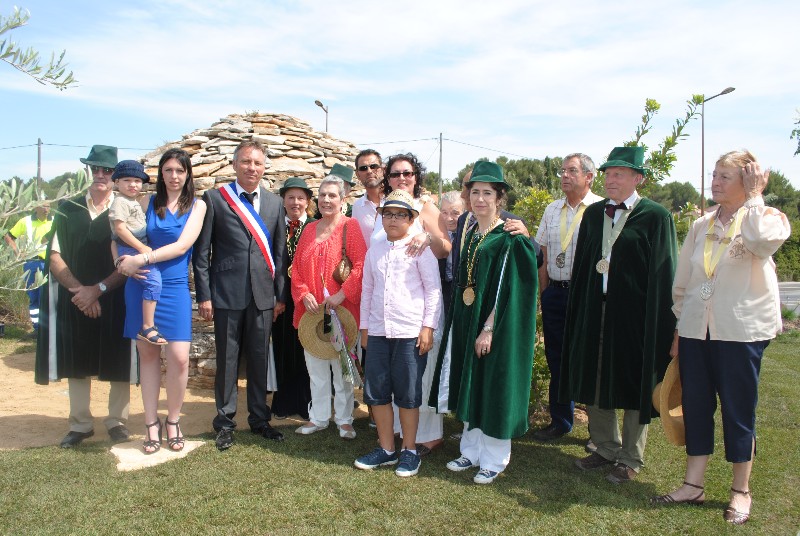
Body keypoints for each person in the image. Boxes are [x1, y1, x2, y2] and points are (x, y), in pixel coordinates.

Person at [652, 151, 790, 525]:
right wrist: (681, 328)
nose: (714, 182)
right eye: (714, 175)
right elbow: (685, 281)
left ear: (748, 181)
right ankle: (692, 485)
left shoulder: (767, 218)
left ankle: (740, 491)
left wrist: (757, 197)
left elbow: (762, 243)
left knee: (737, 409)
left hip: (740, 331)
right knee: (696, 406)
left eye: (725, 177)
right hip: (698, 329)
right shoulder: (701, 225)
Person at [560, 146, 678, 484]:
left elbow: (665, 271)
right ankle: (606, 447)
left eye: (619, 174)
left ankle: (630, 457)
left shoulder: (655, 216)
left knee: (633, 383)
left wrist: (664, 322)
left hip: (635, 316)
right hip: (596, 309)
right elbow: (584, 265)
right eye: (609, 173)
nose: (611, 179)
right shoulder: (595, 214)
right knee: (597, 376)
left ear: (637, 178)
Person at [429, 161, 539, 484]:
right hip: (466, 317)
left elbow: (511, 289)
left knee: (492, 385)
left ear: (499, 197)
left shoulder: (510, 237)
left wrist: (489, 328)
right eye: (474, 192)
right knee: (471, 381)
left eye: (487, 193)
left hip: (494, 326)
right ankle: (471, 450)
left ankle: (494, 459)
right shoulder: (470, 230)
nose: (479, 199)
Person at [34, 145, 133, 448]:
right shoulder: (68, 208)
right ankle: (80, 424)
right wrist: (81, 291)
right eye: (96, 169)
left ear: (115, 175)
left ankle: (117, 421)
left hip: (115, 297)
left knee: (118, 359)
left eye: (107, 170)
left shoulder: (128, 209)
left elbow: (131, 258)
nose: (101, 175)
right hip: (74, 298)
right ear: (89, 171)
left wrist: (98, 290)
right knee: (76, 360)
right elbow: (54, 256)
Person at [193, 140, 288, 451]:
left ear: (264, 168)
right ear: (235, 165)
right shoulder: (216, 199)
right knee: (228, 362)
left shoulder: (275, 204)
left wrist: (279, 297)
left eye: (258, 163)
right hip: (226, 295)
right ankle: (224, 421)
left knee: (260, 360)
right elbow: (202, 252)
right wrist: (204, 295)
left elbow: (279, 255)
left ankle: (260, 419)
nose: (252, 168)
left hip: (262, 298)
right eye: (246, 162)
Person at [116, 149, 207, 454]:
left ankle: (174, 420)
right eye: (168, 170)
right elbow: (117, 235)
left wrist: (143, 256)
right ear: (161, 174)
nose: (174, 176)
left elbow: (183, 245)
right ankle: (151, 424)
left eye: (179, 170)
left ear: (187, 174)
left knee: (180, 357)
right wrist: (120, 262)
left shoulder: (198, 206)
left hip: (176, 287)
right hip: (142, 285)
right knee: (149, 356)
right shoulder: (144, 202)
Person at [354, 190, 442, 477]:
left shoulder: (420, 250)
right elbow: (367, 290)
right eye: (388, 214)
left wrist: (428, 326)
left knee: (407, 394)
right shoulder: (374, 251)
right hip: (378, 331)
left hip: (409, 332)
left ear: (411, 219)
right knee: (377, 393)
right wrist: (365, 329)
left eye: (400, 214)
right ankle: (387, 448)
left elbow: (433, 290)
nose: (393, 219)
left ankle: (410, 450)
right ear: (381, 217)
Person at [374, 153, 451, 454]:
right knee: (396, 371)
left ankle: (429, 435)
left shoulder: (426, 207)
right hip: (389, 308)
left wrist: (428, 238)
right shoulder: (387, 209)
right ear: (388, 179)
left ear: (417, 177)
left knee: (422, 371)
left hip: (420, 307)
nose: (402, 178)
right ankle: (397, 431)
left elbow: (446, 248)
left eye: (407, 173)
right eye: (395, 174)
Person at [532, 153, 603, 441]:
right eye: (562, 170)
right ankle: (561, 420)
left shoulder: (600, 209)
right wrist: (544, 292)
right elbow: (544, 253)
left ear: (589, 176)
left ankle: (599, 432)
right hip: (556, 294)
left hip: (587, 297)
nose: (564, 175)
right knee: (557, 357)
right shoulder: (552, 209)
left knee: (589, 359)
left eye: (572, 171)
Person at [291, 174, 367, 439]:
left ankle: (345, 419)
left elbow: (360, 266)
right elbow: (297, 270)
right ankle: (319, 417)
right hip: (312, 314)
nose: (326, 200)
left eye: (332, 195)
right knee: (316, 368)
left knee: (342, 368)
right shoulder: (309, 229)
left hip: (341, 312)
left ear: (343, 200)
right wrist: (302, 294)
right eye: (322, 195)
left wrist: (342, 294)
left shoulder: (351, 226)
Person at [271, 177, 315, 420]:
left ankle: (308, 402)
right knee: (283, 349)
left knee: (308, 350)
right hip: (282, 300)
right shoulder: (275, 225)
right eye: (291, 197)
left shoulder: (316, 227)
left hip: (309, 298)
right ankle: (284, 402)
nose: (295, 202)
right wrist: (277, 297)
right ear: (283, 200)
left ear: (307, 201)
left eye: (300, 198)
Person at [108, 160, 164, 346]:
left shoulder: (133, 201)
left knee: (151, 282)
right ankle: (147, 326)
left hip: (134, 248)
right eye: (127, 180)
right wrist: (141, 250)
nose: (133, 184)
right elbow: (120, 231)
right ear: (116, 182)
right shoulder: (120, 202)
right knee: (153, 282)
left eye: (137, 181)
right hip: (132, 248)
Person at [5, 201, 52, 334]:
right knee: (35, 296)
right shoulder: (25, 221)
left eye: (48, 206)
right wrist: (18, 252)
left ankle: (49, 329)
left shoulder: (55, 220)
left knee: (50, 296)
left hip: (51, 262)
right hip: (32, 263)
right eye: (43, 206)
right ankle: (37, 329)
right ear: (36, 207)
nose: (46, 209)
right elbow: (8, 236)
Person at [438, 191, 465, 311]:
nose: (449, 219)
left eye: (455, 213)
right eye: (444, 213)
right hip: (443, 293)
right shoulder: (435, 235)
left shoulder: (470, 236)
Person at [351, 149, 383, 244]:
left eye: (374, 166)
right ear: (358, 175)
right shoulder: (357, 207)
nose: (369, 171)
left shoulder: (397, 199)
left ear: (382, 170)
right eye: (363, 168)